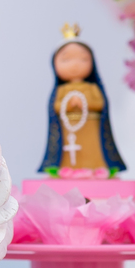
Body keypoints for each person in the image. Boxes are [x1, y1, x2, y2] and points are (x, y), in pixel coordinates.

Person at [37, 24, 126, 175]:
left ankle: (96, 169)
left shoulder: (92, 88)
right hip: (68, 128)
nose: (75, 65)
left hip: (91, 126)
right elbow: (56, 106)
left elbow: (100, 103)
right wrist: (69, 104)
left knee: (92, 149)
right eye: (66, 60)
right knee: (68, 153)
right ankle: (67, 170)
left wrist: (86, 103)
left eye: (83, 59)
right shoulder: (61, 90)